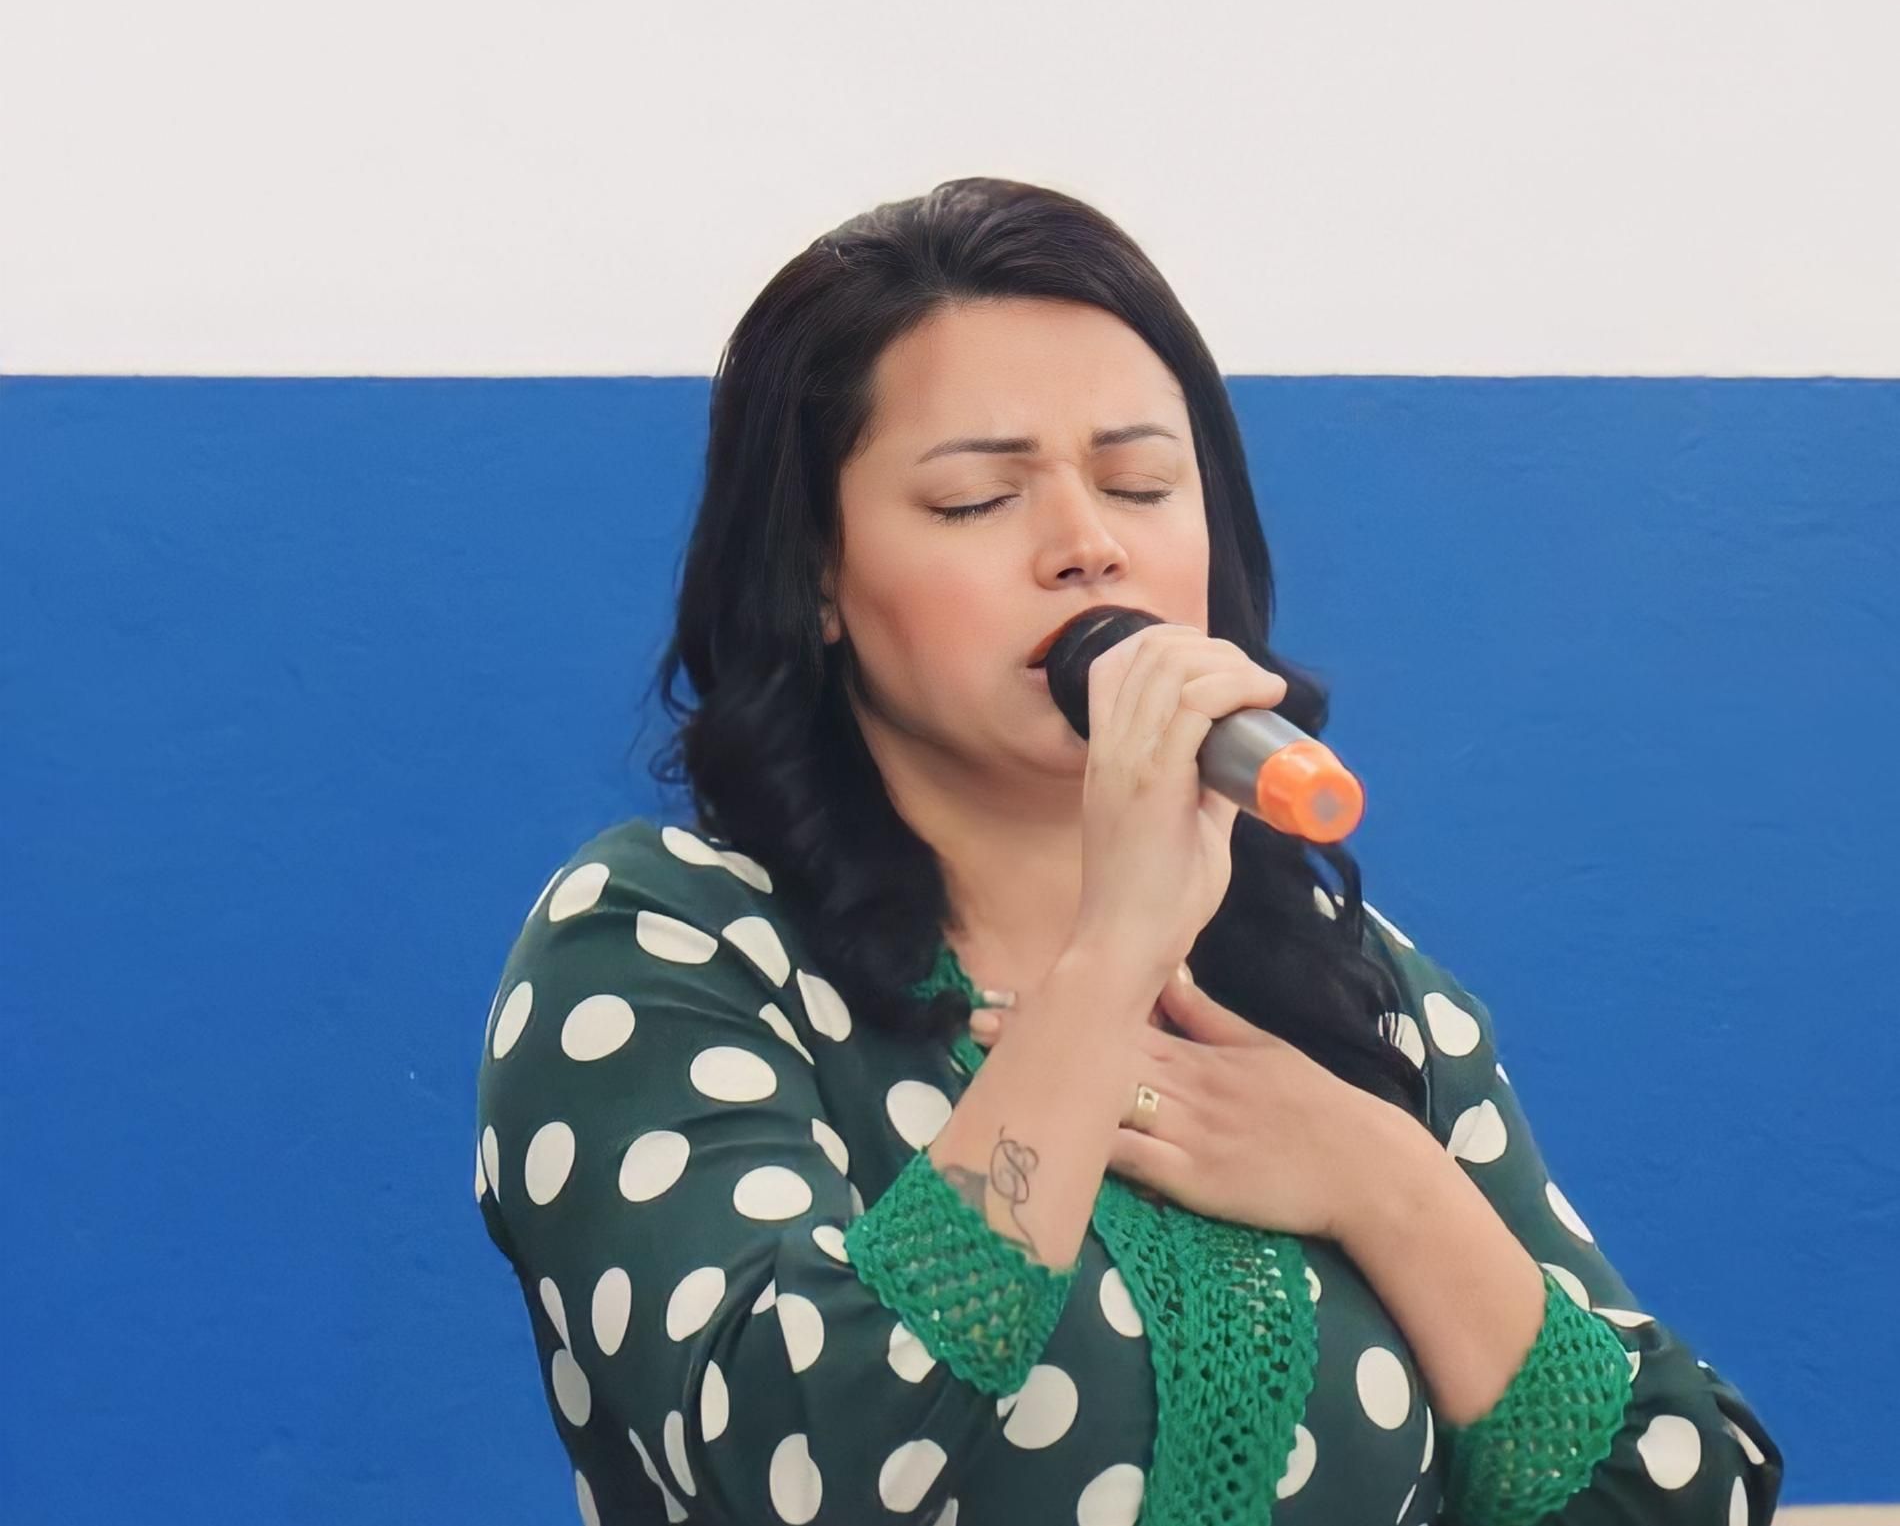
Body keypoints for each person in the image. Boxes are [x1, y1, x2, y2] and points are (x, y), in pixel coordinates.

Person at [473, 178, 1783, 1525]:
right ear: (816, 575)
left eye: (1141, 483)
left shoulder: (1361, 990)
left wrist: (1384, 1181)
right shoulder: (662, 947)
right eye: (978, 499)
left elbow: (1682, 1494)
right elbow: (812, 1467)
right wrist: (1106, 968)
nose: (1087, 546)